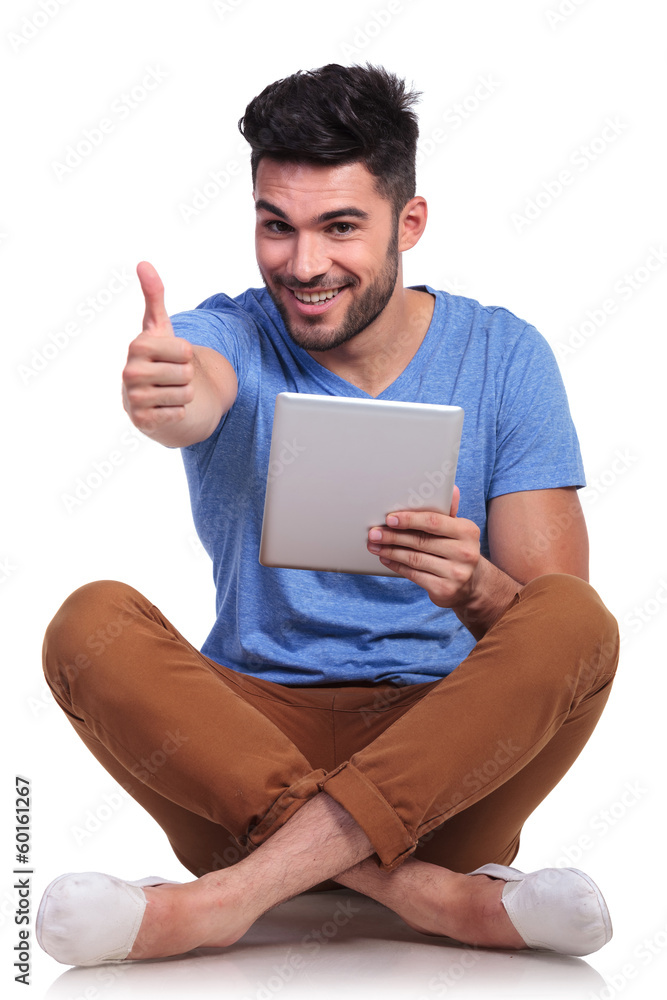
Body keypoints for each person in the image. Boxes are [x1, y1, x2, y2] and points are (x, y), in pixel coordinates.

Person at [37, 63, 619, 967]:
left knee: (579, 620)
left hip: (447, 764)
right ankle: (434, 899)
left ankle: (224, 902)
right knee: (89, 622)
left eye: (339, 227)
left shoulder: (506, 356)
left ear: (408, 223)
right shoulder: (229, 332)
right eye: (277, 227)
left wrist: (471, 587)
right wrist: (172, 393)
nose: (302, 266)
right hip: (240, 756)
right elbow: (198, 383)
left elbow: (555, 630)